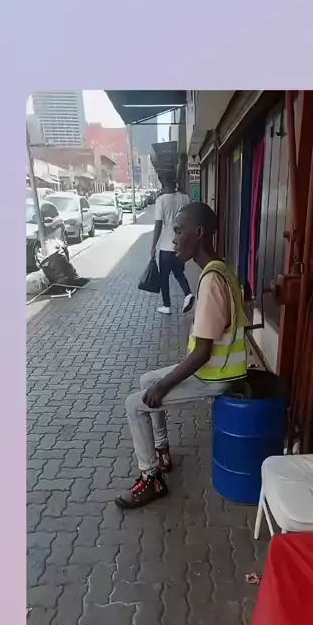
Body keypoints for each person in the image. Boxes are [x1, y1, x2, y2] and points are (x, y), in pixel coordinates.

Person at [115, 202, 248, 509]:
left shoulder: (212, 280)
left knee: (135, 404)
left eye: (177, 231)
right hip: (218, 369)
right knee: (147, 380)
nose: (173, 239)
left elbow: (201, 353)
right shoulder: (221, 268)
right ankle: (161, 452)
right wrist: (158, 384)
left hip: (215, 377)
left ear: (198, 233)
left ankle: (151, 478)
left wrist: (163, 387)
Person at [151, 177, 194, 315]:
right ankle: (188, 294)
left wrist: (153, 246)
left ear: (163, 185)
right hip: (180, 245)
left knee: (164, 277)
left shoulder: (161, 200)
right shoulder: (184, 198)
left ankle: (166, 305)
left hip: (166, 247)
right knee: (179, 273)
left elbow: (158, 225)